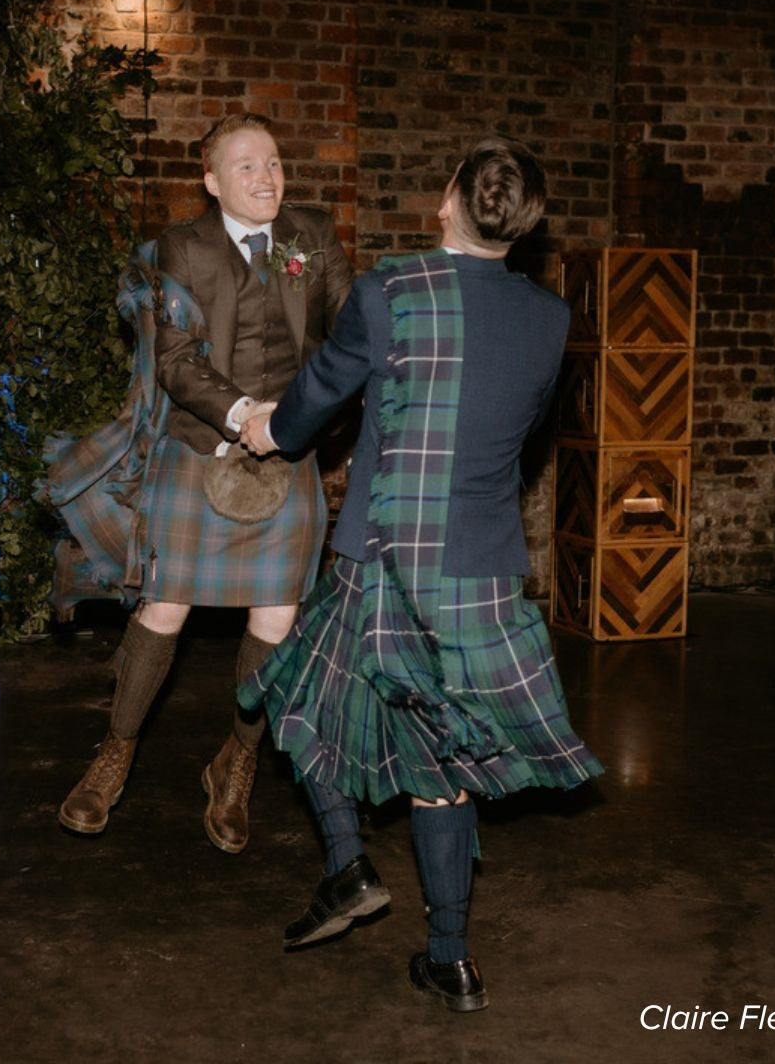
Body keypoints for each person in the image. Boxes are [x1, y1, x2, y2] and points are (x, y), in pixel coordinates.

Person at [237, 136, 603, 1012]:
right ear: (524, 226)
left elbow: (316, 399)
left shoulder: (391, 290)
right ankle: (450, 959)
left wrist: (267, 431)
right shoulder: (552, 318)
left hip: (382, 558)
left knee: (290, 695)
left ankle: (347, 868)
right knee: (446, 758)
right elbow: (511, 435)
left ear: (447, 198)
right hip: (478, 570)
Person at [58, 113, 353, 854]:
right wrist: (243, 412)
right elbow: (176, 357)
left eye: (275, 162)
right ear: (212, 181)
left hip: (292, 457)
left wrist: (312, 418)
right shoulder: (179, 250)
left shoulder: (310, 236)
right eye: (248, 166)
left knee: (276, 623)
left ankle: (236, 761)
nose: (267, 178)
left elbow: (351, 335)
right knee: (163, 608)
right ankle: (115, 752)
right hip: (199, 446)